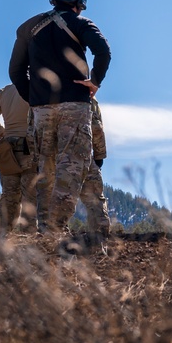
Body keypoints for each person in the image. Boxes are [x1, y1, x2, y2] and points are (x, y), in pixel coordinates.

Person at [8, 0, 111, 234]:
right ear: (80, 3)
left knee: (47, 168)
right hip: (75, 104)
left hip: (41, 109)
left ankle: (46, 229)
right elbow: (103, 51)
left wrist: (33, 98)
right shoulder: (81, 23)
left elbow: (15, 71)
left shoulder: (28, 27)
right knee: (72, 166)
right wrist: (94, 81)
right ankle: (56, 227)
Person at [0, 83, 38, 233]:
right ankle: (29, 238)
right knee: (31, 197)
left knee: (9, 197)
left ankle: (1, 238)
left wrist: (0, 132)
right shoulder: (36, 86)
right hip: (30, 150)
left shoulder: (4, 92)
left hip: (8, 151)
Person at [79, 96, 110, 240]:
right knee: (95, 199)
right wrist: (99, 156)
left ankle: (49, 239)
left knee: (51, 201)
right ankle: (99, 240)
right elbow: (96, 127)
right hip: (82, 154)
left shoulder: (42, 90)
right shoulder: (87, 96)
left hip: (51, 158)